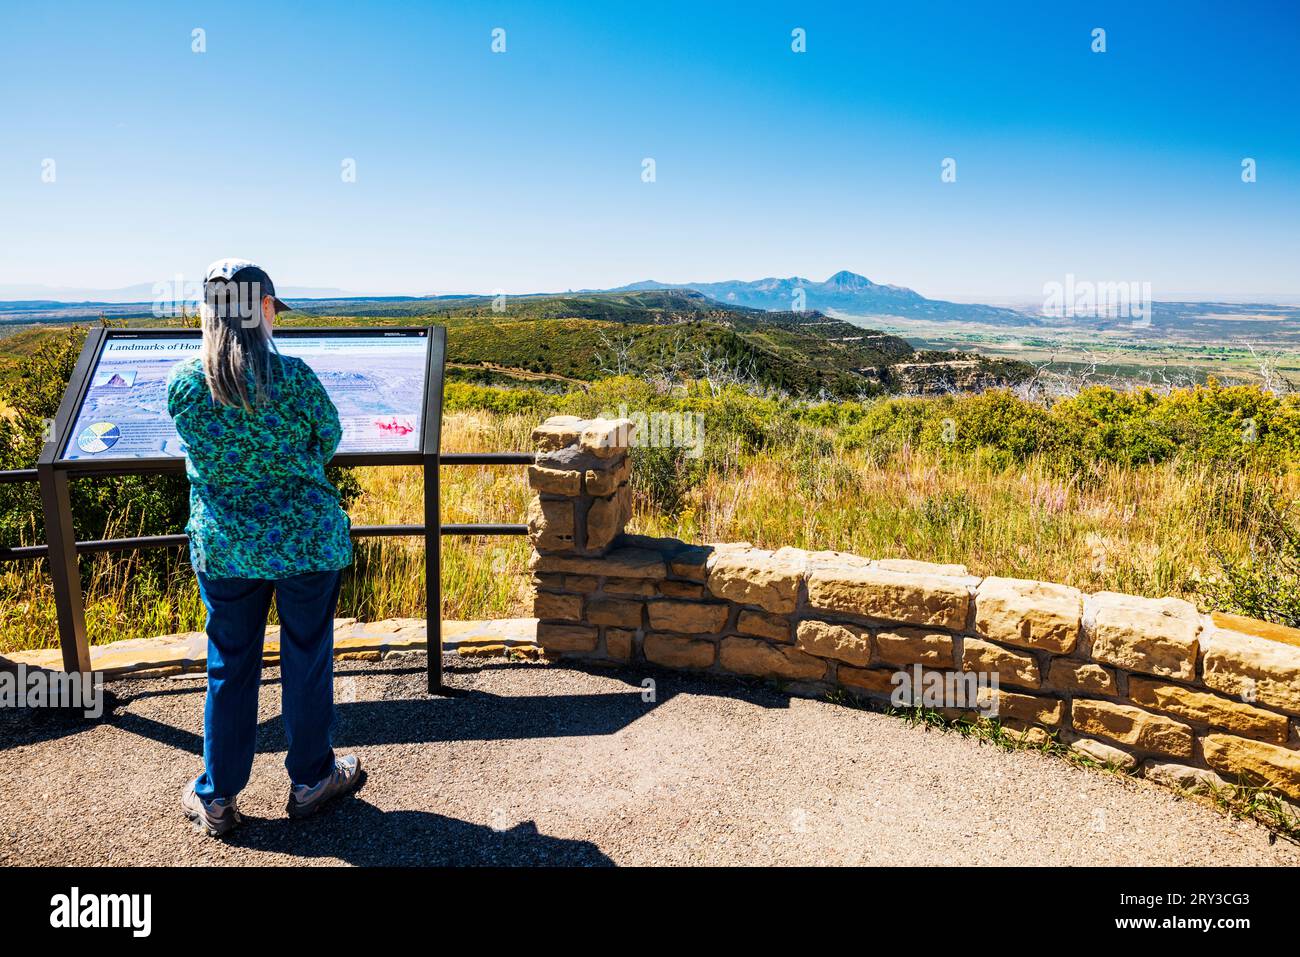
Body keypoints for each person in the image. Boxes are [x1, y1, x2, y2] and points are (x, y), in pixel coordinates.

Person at [169, 258, 362, 837]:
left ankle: (218, 795)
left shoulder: (185, 384)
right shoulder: (296, 378)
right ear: (267, 310)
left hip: (226, 547)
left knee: (230, 662)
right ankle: (311, 781)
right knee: (307, 654)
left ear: (208, 314)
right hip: (305, 540)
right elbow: (326, 437)